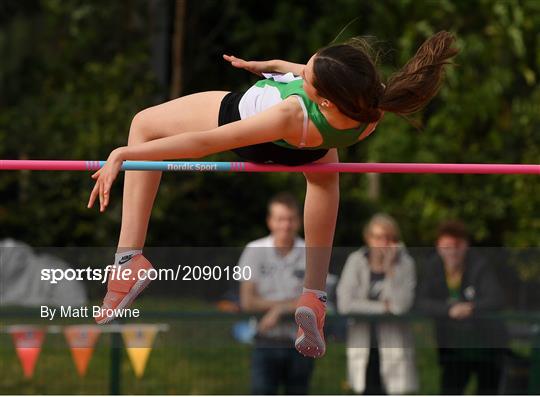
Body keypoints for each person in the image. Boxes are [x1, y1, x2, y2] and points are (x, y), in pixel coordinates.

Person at [87, 31, 458, 357]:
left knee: (143, 124)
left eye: (306, 76)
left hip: (253, 129)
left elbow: (203, 143)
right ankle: (314, 294)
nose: (301, 72)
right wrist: (275, 65)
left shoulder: (289, 112)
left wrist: (125, 154)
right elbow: (312, 75)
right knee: (325, 179)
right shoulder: (369, 110)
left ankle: (128, 259)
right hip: (307, 147)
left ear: (324, 99)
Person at [415, 220, 508, 394]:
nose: (451, 252)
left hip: (487, 346)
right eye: (446, 246)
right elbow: (421, 301)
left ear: (465, 245)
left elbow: (496, 298)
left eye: (456, 246)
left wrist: (470, 308)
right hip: (453, 348)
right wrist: (448, 310)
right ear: (438, 247)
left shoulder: (480, 265)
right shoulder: (433, 267)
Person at [239, 192, 314, 394]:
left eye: (290, 219)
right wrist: (288, 305)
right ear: (270, 221)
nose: (285, 225)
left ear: (298, 221)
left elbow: (314, 300)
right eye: (280, 219)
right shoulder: (254, 249)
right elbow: (247, 301)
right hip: (264, 341)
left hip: (301, 342)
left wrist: (279, 309)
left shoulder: (311, 251)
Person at [337, 214, 418, 394]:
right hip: (363, 341)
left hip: (393, 342)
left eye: (389, 238)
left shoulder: (405, 264)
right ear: (368, 238)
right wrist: (383, 307)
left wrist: (390, 270)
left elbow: (400, 306)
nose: (384, 243)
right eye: (378, 237)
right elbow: (345, 304)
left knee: (393, 389)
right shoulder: (355, 261)